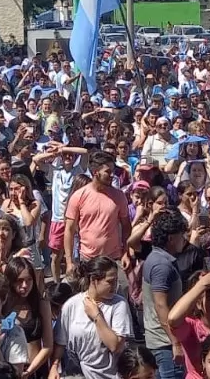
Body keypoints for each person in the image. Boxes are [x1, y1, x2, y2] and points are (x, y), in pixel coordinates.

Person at [53, 257, 132, 379]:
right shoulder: (71, 305)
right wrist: (54, 366)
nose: (115, 286)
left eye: (116, 281)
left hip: (109, 375)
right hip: (77, 374)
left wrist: (97, 316)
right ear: (94, 280)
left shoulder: (119, 304)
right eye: (110, 282)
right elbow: (60, 343)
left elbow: (115, 346)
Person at [63, 152, 131, 279]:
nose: (112, 175)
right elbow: (69, 230)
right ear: (95, 172)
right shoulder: (78, 196)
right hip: (88, 260)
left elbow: (126, 226)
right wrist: (69, 262)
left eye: (113, 171)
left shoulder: (119, 196)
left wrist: (125, 252)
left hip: (113, 258)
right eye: (108, 171)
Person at [142, 210, 189, 379]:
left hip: (162, 341)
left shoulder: (158, 258)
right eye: (181, 235)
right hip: (165, 344)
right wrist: (175, 342)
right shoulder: (161, 265)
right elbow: (160, 304)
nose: (184, 239)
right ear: (171, 238)